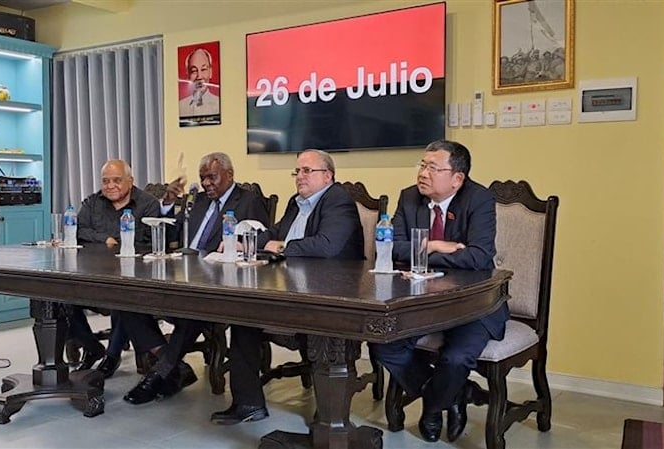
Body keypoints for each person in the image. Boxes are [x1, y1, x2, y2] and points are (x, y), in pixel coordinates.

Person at [210, 149, 364, 425]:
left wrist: (280, 247)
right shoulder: (297, 202)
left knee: (312, 332)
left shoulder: (338, 200)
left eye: (307, 171)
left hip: (330, 294)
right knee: (243, 316)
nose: (300, 177)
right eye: (297, 171)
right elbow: (276, 232)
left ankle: (330, 414)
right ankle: (248, 404)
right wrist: (247, 242)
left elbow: (327, 246)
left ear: (327, 176)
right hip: (291, 287)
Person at [369, 140, 506, 443]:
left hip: (474, 304)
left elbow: (479, 257)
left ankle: (432, 407)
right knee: (383, 345)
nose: (423, 173)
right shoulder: (409, 198)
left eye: (433, 167)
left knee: (456, 359)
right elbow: (392, 248)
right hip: (420, 302)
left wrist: (421, 253)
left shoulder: (479, 199)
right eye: (422, 164)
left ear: (457, 178)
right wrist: (433, 245)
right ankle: (455, 394)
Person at [122, 152, 270, 404]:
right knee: (128, 299)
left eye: (212, 177)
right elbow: (174, 227)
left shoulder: (248, 201)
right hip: (182, 270)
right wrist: (168, 202)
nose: (207, 184)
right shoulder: (197, 200)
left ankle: (158, 374)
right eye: (203, 178)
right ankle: (173, 365)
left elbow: (261, 238)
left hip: (219, 281)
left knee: (192, 309)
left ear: (230, 175)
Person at [66, 159, 161, 379]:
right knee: (59, 298)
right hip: (92, 275)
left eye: (117, 181)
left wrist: (113, 240)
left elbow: (146, 240)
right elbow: (78, 229)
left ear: (130, 181)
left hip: (133, 277)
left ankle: (112, 356)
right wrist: (105, 238)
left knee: (121, 296)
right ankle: (92, 348)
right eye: (105, 181)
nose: (110, 186)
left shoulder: (148, 204)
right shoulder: (92, 203)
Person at [178, 47, 220, 117]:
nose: (199, 76)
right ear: (188, 74)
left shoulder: (219, 104)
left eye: (203, 69)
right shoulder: (180, 106)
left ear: (210, 72)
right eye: (194, 71)